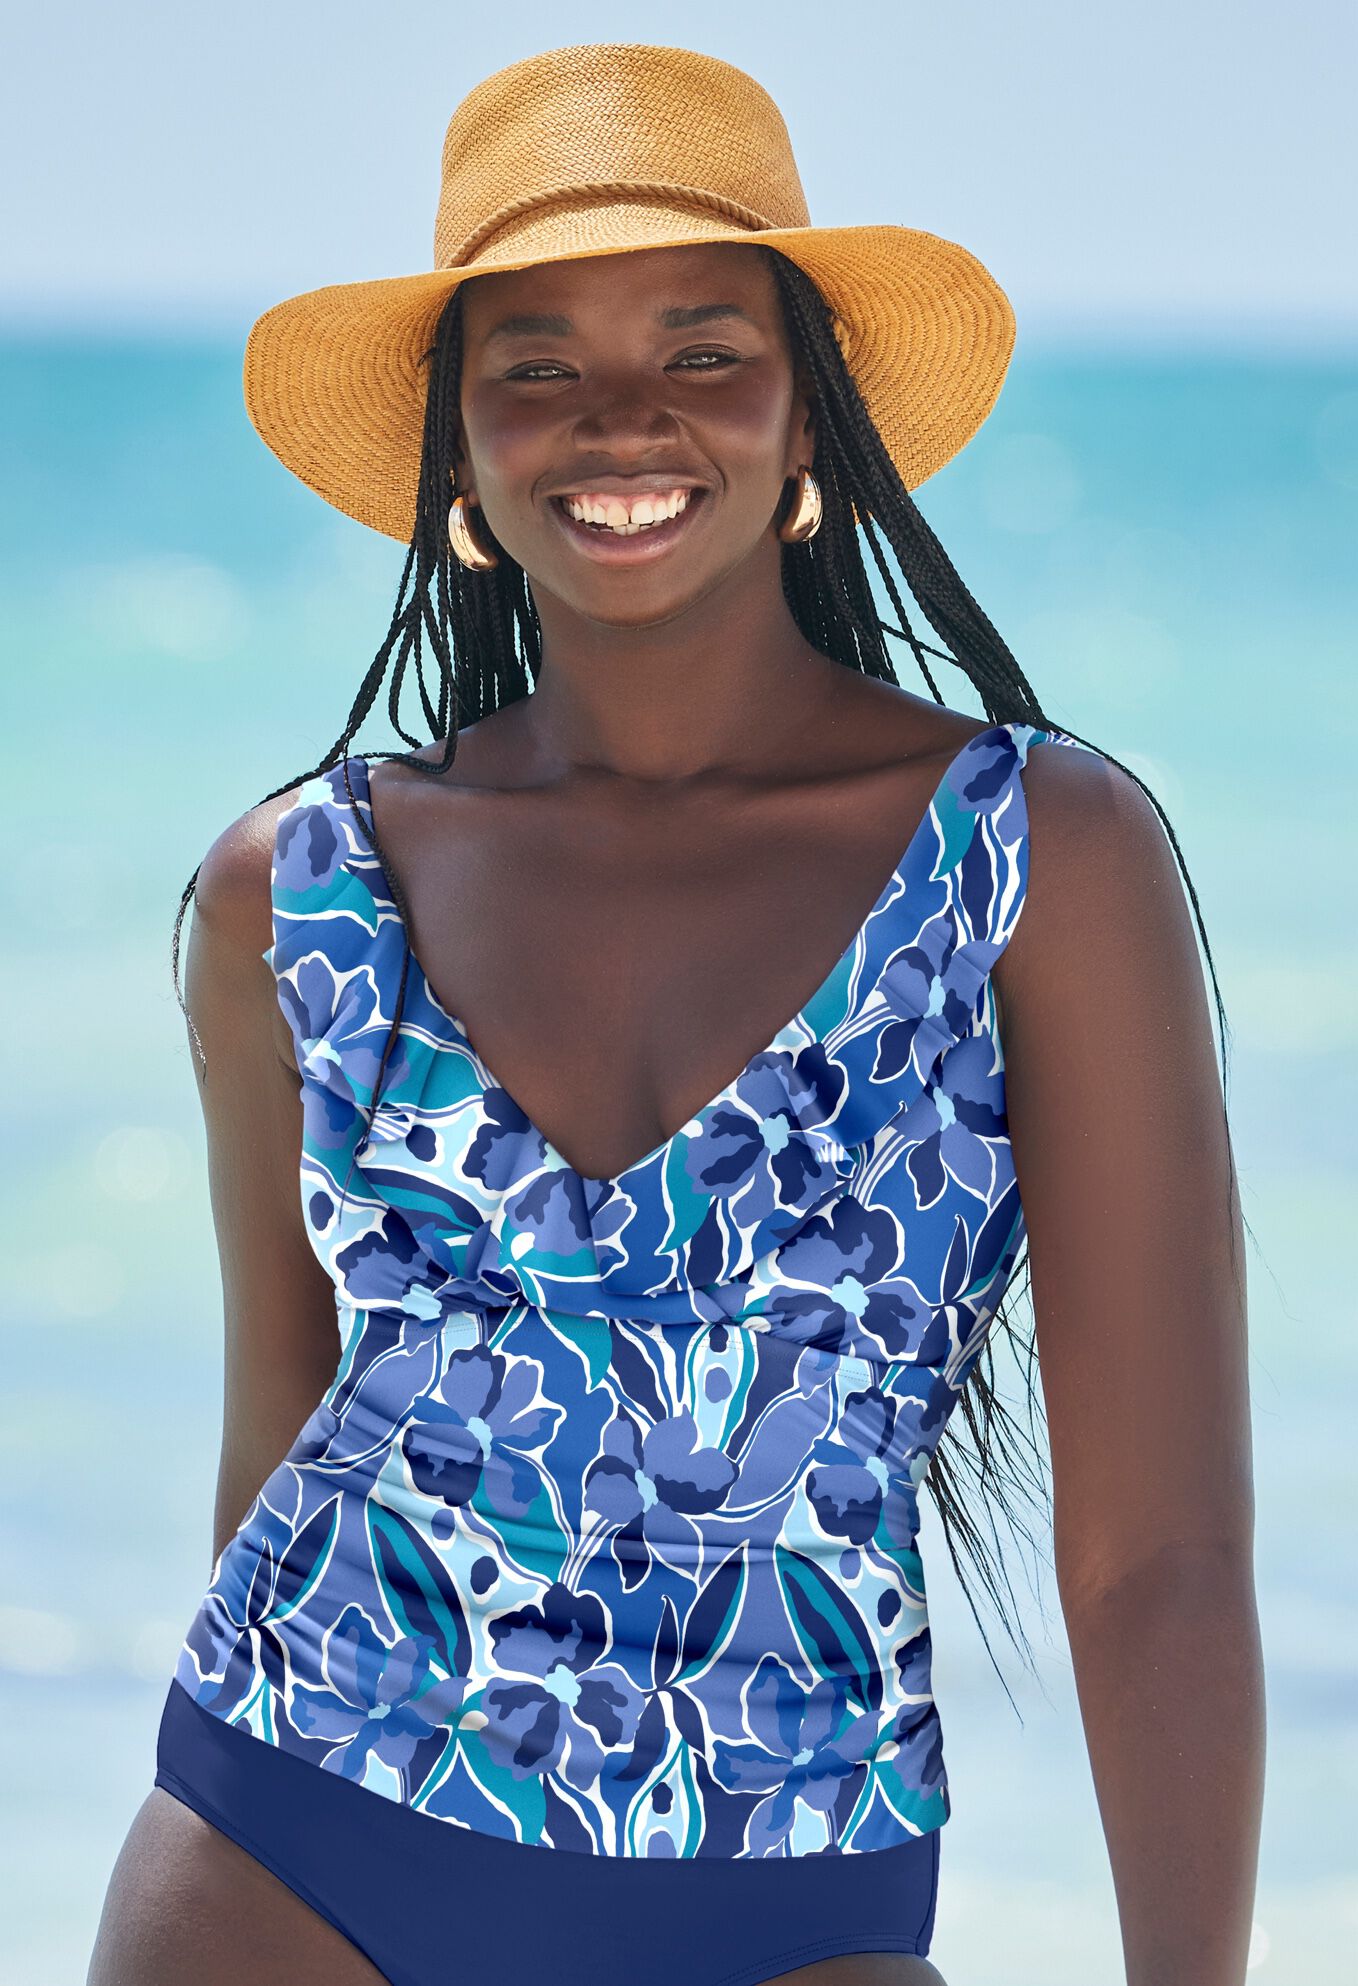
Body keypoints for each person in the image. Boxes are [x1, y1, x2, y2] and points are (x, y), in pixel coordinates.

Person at [87, 42, 1264, 1986]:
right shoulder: (290, 888)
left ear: (810, 417)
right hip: (279, 1862)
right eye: (533, 365)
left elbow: (1159, 1572)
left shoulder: (1040, 859)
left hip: (790, 1903)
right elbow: (276, 1445)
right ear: (460, 453)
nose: (618, 420)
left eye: (702, 350)